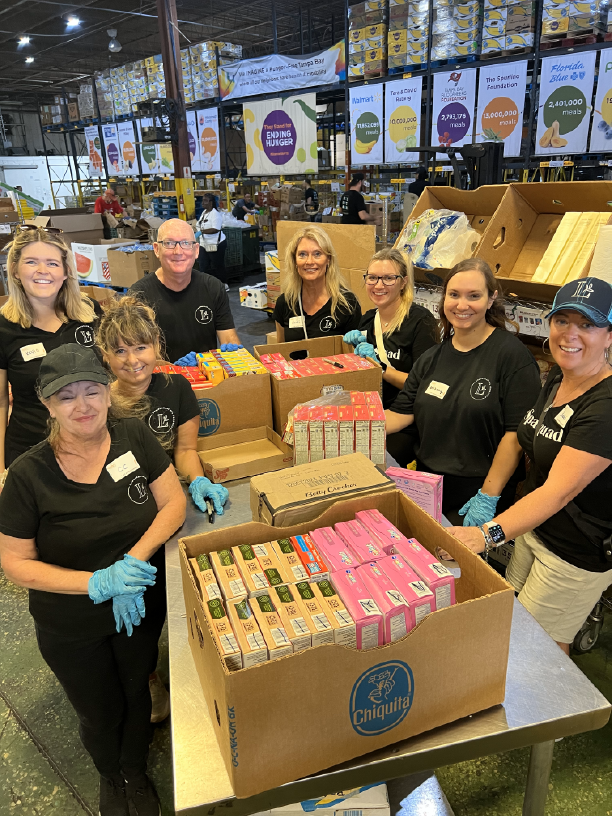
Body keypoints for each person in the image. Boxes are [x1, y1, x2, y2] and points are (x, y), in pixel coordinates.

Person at [0, 343, 186, 816]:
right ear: (47, 405)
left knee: (135, 692)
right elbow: (16, 563)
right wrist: (97, 583)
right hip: (71, 621)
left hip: (137, 603)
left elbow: (173, 504)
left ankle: (135, 772)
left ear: (108, 392)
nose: (82, 406)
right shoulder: (28, 474)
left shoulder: (133, 435)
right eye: (66, 397)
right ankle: (110, 775)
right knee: (98, 710)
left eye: (91, 391)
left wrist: (131, 563)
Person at [449, 277, 612, 654]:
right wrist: (488, 496)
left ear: (608, 336)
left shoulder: (605, 408)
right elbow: (525, 436)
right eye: (562, 320)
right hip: (533, 530)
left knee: (541, 652)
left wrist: (487, 534)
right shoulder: (559, 376)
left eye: (587, 324)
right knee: (515, 628)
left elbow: (559, 492)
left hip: (573, 553)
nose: (570, 334)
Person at [385, 258, 541, 524]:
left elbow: (516, 435)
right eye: (454, 294)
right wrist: (344, 428)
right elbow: (401, 414)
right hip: (427, 485)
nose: (461, 304)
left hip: (479, 490)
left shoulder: (512, 357)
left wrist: (488, 496)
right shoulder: (432, 358)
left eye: (474, 296)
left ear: (491, 299)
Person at [0, 228, 101, 473]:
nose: (42, 270)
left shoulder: (90, 314)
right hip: (31, 453)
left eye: (52, 263)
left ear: (66, 272)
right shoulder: (3, 328)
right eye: (31, 262)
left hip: (92, 447)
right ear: (15, 270)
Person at [344, 247, 438, 466]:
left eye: (388, 278)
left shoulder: (421, 322)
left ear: (403, 282)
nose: (378, 285)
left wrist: (382, 369)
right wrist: (351, 354)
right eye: (372, 278)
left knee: (370, 461)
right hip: (372, 411)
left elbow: (424, 385)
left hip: (407, 421)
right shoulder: (368, 320)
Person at [128, 219, 242, 364]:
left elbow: (229, 338)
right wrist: (170, 369)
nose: (178, 251)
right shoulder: (139, 295)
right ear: (156, 249)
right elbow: (135, 355)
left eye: (186, 243)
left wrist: (235, 355)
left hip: (207, 373)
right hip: (161, 376)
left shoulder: (213, 288)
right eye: (169, 243)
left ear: (196, 250)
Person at [274, 226, 362, 343]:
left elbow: (354, 351)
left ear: (328, 259)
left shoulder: (347, 304)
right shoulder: (284, 303)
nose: (309, 261)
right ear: (294, 261)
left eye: (317, 254)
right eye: (302, 254)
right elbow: (281, 349)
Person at [196, 192, 227, 287]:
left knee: (218, 265)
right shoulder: (204, 213)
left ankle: (223, 284)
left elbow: (215, 229)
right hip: (204, 244)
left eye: (205, 201)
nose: (203, 203)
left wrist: (202, 232)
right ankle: (205, 285)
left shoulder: (215, 214)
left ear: (211, 202)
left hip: (216, 244)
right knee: (203, 265)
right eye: (203, 200)